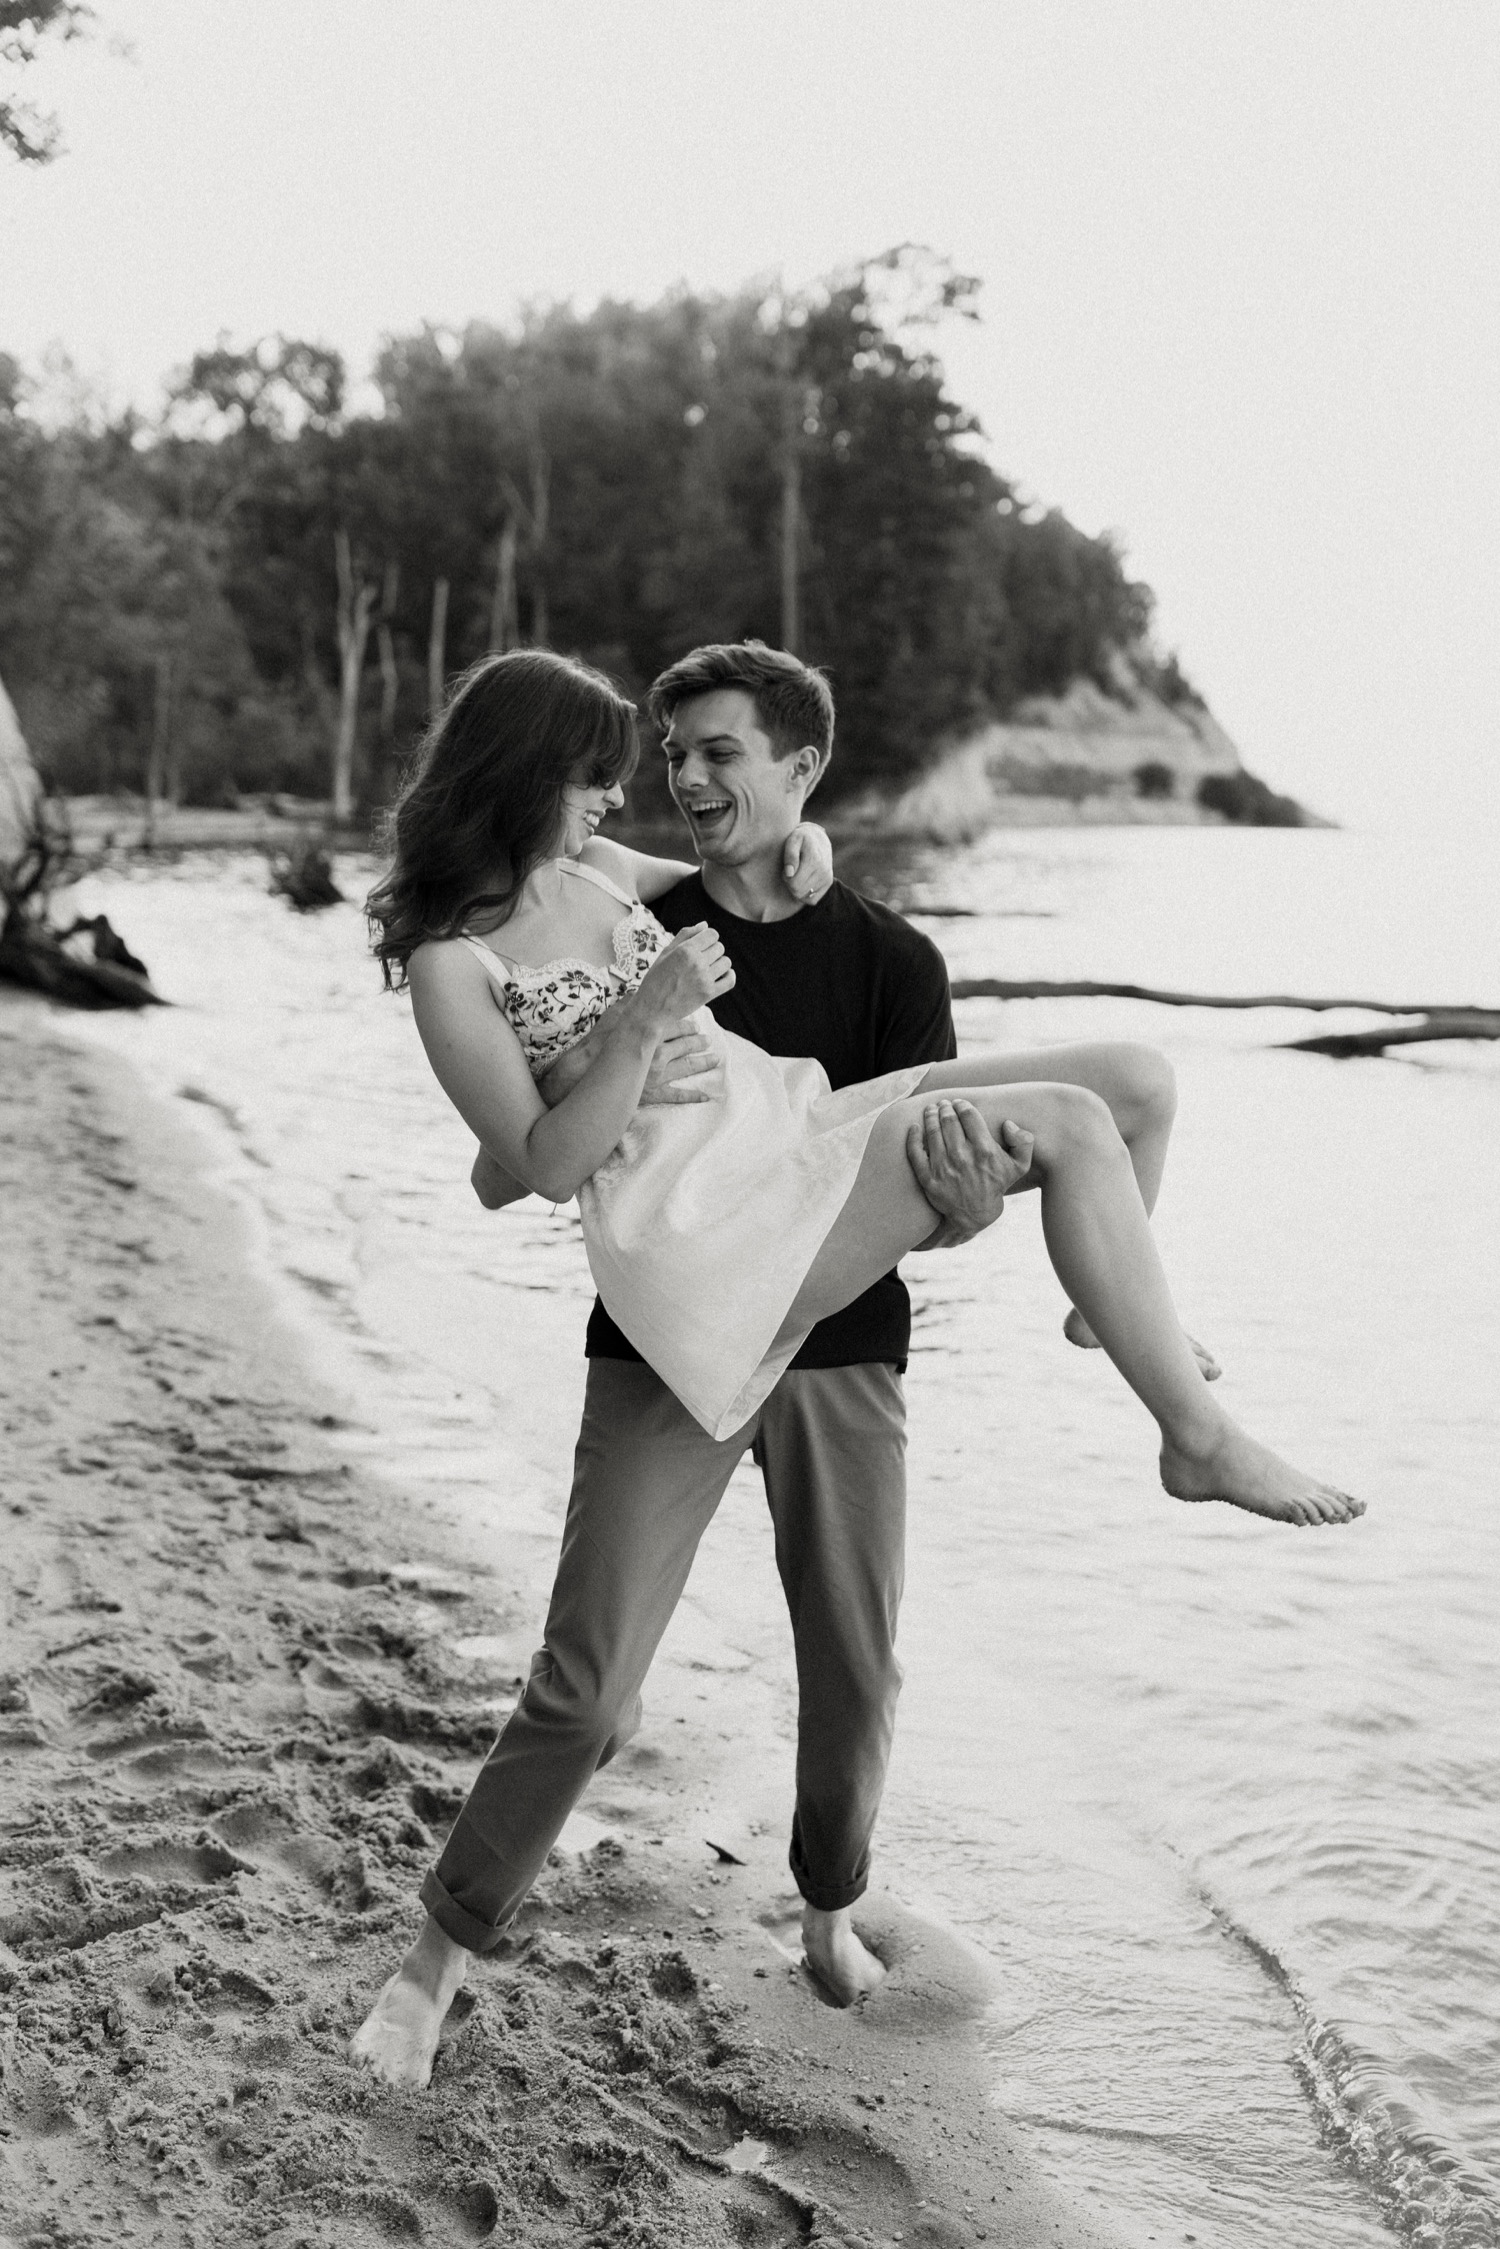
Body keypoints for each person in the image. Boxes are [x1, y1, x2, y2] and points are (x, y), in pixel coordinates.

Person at [353, 642, 1360, 2088]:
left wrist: (804, 851)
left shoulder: (638, 890)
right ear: (529, 777)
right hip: (697, 1244)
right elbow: (518, 1166)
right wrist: (637, 1027)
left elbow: (734, 885)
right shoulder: (462, 962)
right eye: (612, 775)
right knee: (586, 1692)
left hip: (796, 1157)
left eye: (704, 762)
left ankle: (1128, 1338)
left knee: (1126, 1090)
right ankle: (431, 1963)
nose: (643, 797)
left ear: (797, 767)